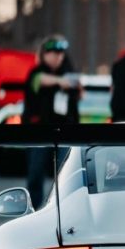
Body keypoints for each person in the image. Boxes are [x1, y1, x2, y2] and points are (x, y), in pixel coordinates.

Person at [23, 35, 79, 208]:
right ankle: (34, 209)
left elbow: (78, 93)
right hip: (40, 132)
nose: (58, 57)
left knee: (65, 173)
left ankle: (62, 207)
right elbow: (39, 81)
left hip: (64, 132)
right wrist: (61, 82)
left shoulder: (67, 74)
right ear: (45, 54)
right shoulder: (36, 72)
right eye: (54, 53)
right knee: (35, 173)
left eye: (61, 54)